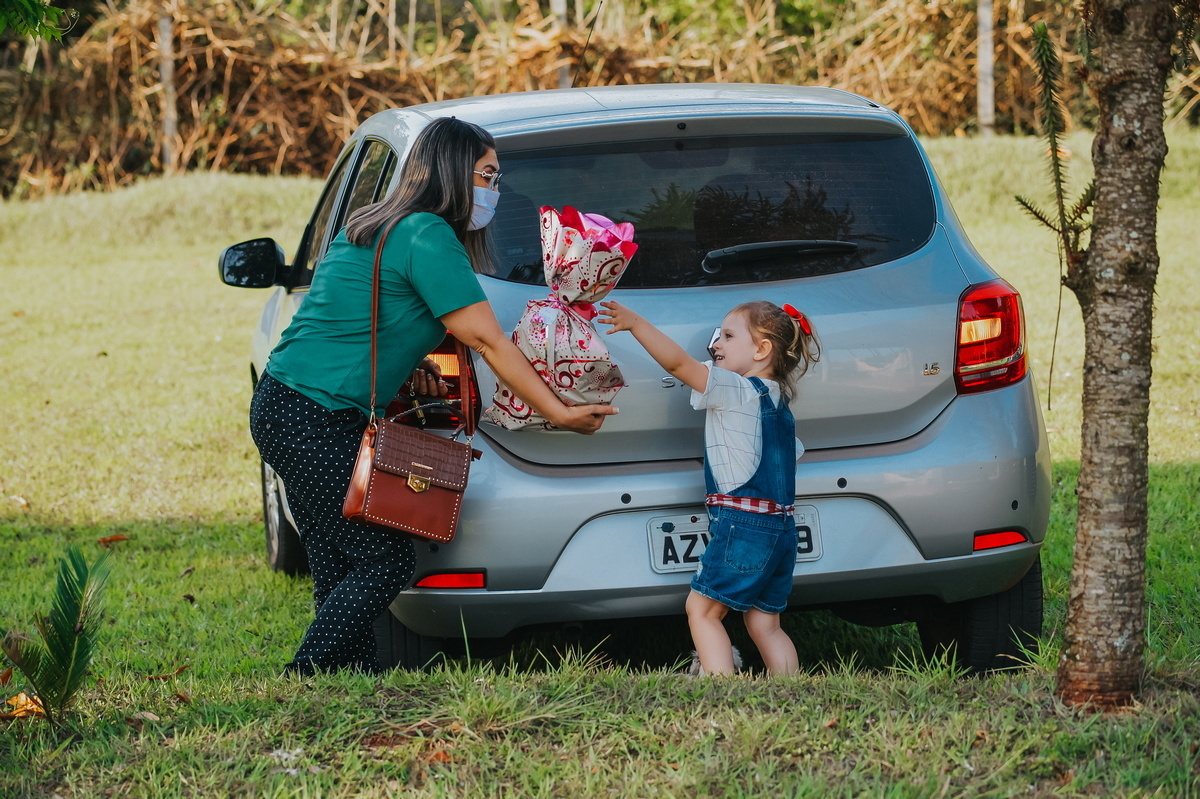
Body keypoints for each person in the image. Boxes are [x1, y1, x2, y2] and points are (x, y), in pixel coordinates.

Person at [249, 117, 619, 677]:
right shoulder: (426, 234)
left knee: (335, 560)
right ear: (451, 172)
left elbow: (354, 322)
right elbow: (488, 340)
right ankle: (304, 675)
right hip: (312, 416)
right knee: (385, 559)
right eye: (488, 176)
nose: (497, 190)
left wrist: (405, 369)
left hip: (287, 404)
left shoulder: (379, 223)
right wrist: (560, 411)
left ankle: (352, 680)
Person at [597, 299, 820, 675]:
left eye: (728, 336)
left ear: (762, 349)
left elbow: (678, 365)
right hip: (782, 529)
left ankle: (720, 692)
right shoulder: (780, 405)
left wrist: (636, 323)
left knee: (701, 611)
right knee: (765, 624)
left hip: (742, 526)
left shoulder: (736, 390)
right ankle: (790, 692)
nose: (715, 344)